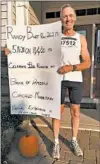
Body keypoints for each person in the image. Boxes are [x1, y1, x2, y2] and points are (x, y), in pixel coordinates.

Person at [52, 4, 91, 159]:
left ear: (74, 18)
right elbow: (37, 52)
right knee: (57, 112)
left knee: (75, 112)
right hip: (58, 79)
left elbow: (87, 62)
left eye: (70, 15)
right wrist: (13, 50)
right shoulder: (55, 38)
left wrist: (71, 67)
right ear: (61, 19)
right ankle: (55, 142)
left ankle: (74, 140)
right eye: (65, 16)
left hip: (75, 79)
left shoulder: (80, 38)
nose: (68, 18)